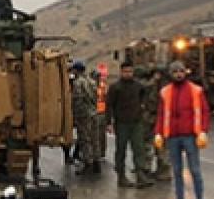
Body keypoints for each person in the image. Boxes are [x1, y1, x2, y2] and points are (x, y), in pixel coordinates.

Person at [154, 60, 211, 199]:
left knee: (195, 170)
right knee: (177, 171)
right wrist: (158, 132)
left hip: (190, 137)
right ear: (171, 74)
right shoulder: (165, 92)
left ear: (185, 72)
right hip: (172, 137)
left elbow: (205, 112)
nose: (178, 74)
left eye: (181, 71)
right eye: (175, 71)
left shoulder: (195, 91)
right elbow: (161, 114)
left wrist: (203, 131)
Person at [106, 61, 152, 189]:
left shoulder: (138, 86)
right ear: (121, 72)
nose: (128, 74)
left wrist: (142, 107)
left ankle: (140, 175)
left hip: (136, 122)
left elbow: (144, 97)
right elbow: (109, 106)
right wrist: (108, 123)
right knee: (121, 150)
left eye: (130, 71)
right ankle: (121, 176)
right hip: (122, 123)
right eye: (125, 71)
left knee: (139, 149)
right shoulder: (115, 87)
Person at [70, 61, 102, 175]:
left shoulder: (78, 83)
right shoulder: (92, 82)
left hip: (84, 115)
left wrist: (75, 114)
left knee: (85, 139)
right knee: (95, 139)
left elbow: (77, 100)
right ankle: (97, 163)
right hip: (94, 113)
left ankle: (88, 163)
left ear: (76, 70)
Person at [140, 66, 172, 180]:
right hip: (159, 116)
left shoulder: (157, 85)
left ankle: (147, 169)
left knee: (149, 143)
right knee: (160, 144)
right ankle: (162, 171)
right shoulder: (166, 85)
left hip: (153, 116)